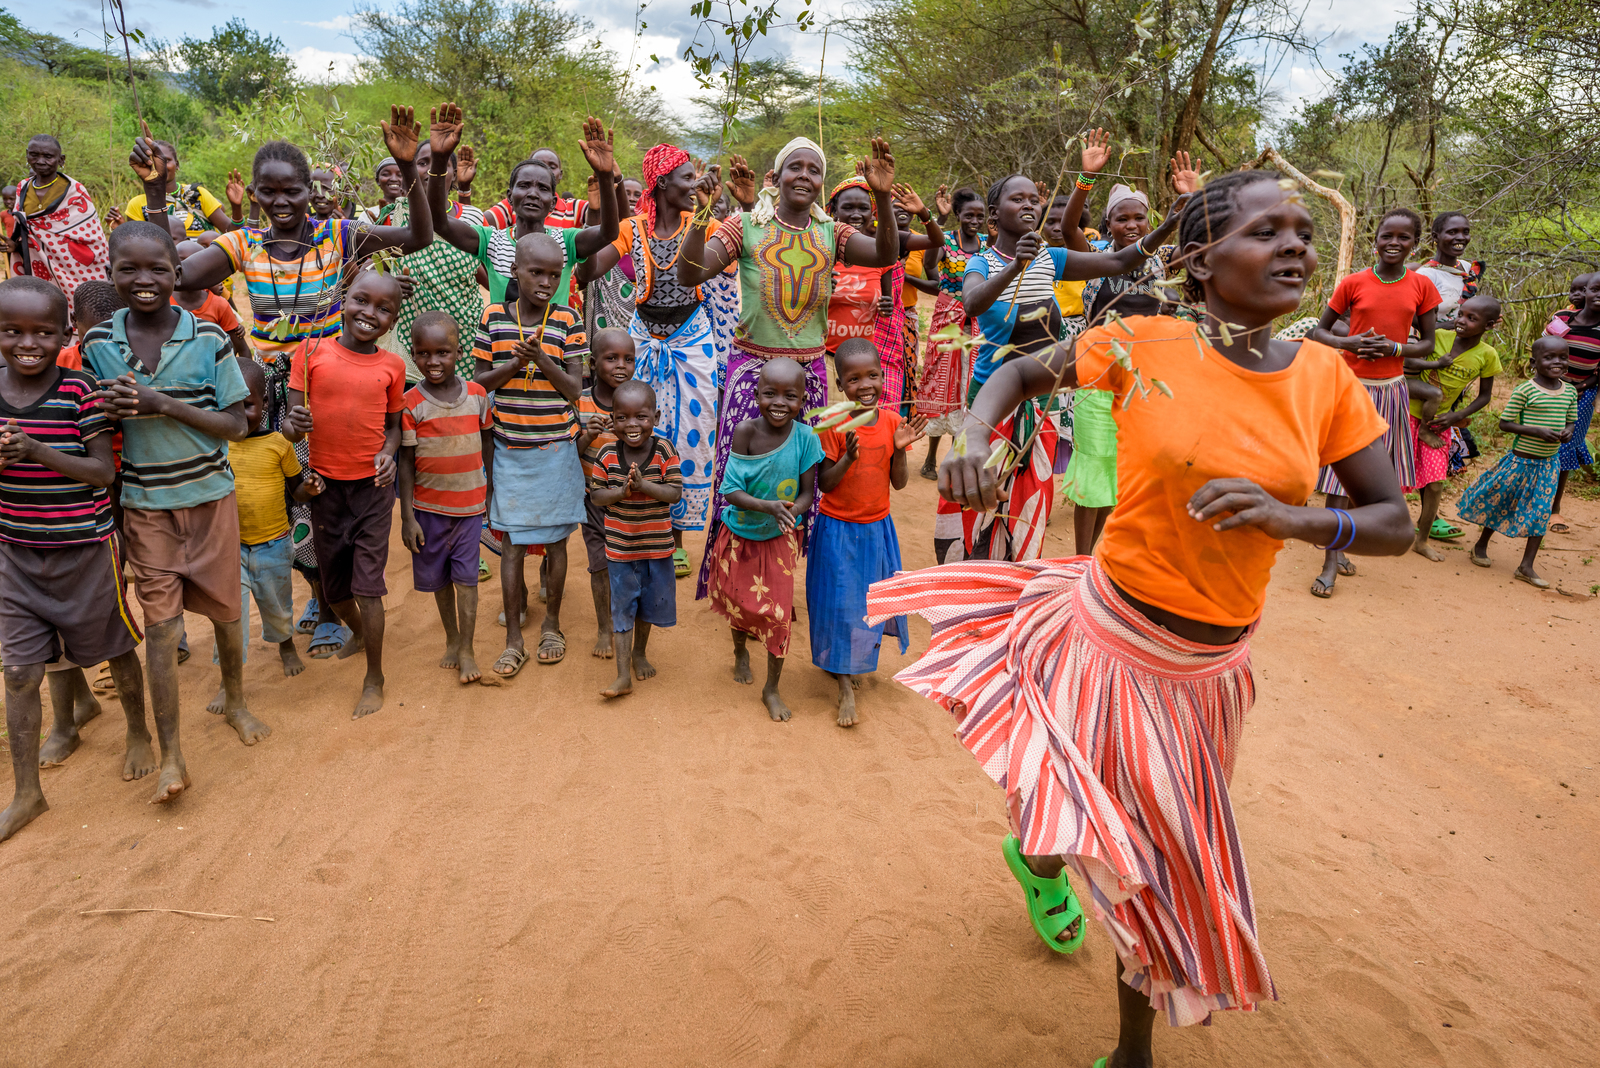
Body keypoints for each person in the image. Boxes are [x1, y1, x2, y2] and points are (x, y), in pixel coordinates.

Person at [876, 170, 1411, 1056]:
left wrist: (1298, 519)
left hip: (1208, 676)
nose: (1295, 248)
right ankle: (1119, 1022)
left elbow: (1390, 519)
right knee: (1128, 853)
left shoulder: (1325, 377)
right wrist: (971, 436)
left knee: (1142, 847)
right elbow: (1014, 371)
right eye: (1266, 231)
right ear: (1200, 261)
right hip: (1109, 637)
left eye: (1304, 233)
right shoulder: (1141, 343)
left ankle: (1089, 963)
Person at [82, 222, 263, 805]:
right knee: (160, 632)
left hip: (210, 500)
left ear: (176, 273)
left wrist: (161, 403)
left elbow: (237, 424)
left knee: (227, 614)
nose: (144, 281)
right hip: (145, 509)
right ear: (110, 273)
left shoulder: (209, 338)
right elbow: (91, 430)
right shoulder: (97, 347)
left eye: (157, 269)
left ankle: (235, 699)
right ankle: (171, 755)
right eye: (128, 269)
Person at [679, 136, 902, 601]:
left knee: (804, 480)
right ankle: (734, 581)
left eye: (814, 169)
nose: (805, 175)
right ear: (776, 178)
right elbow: (689, 274)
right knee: (742, 475)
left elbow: (884, 256)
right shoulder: (744, 226)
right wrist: (704, 213)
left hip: (808, 378)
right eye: (794, 167)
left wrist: (882, 195)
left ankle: (777, 581)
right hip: (751, 376)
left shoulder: (833, 233)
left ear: (821, 184)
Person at [959, 169, 1187, 562]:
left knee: (1030, 503)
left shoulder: (1052, 258)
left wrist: (1167, 225)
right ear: (994, 215)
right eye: (1018, 199)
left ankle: (1017, 582)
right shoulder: (982, 261)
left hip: (1042, 398)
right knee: (983, 498)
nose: (1029, 204)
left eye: (1034, 198)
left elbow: (1117, 261)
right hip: (992, 398)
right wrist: (1015, 267)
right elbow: (972, 303)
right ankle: (976, 582)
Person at [0, 277, 147, 843]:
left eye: (42, 331)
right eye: (13, 330)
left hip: (86, 547)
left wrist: (35, 451)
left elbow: (102, 472)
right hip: (15, 553)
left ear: (66, 333)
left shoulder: (78, 390)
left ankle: (138, 732)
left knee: (114, 647)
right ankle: (26, 793)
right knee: (18, 672)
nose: (27, 342)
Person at [581, 144, 753, 576]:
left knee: (689, 431)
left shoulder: (709, 224)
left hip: (691, 335)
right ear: (661, 185)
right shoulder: (631, 227)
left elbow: (730, 251)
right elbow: (591, 267)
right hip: (643, 336)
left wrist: (739, 204)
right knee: (638, 426)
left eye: (695, 179)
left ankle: (674, 537)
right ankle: (640, 523)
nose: (693, 186)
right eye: (685, 178)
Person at [282, 269, 408, 719]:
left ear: (394, 319)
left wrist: (389, 454)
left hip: (373, 491)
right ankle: (355, 632)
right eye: (361, 300)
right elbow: (290, 422)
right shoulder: (311, 352)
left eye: (384, 308)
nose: (370, 313)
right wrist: (293, 426)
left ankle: (374, 677)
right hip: (323, 488)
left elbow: (393, 429)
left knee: (368, 587)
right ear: (344, 300)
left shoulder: (393, 367)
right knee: (334, 590)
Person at [474, 233, 589, 676]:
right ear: (514, 272)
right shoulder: (494, 318)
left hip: (556, 449)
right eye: (536, 272)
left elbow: (575, 389)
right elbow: (481, 383)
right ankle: (512, 641)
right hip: (509, 449)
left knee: (557, 543)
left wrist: (541, 359)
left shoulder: (567, 319)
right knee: (512, 546)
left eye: (553, 275)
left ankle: (553, 626)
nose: (545, 281)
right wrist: (514, 365)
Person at [1309, 207, 1439, 596]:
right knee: (1337, 476)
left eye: (1404, 238)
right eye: (1387, 236)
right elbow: (1318, 332)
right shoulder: (1353, 282)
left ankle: (1343, 545)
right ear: (1375, 239)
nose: (1394, 243)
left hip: (1392, 388)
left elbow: (1428, 344)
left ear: (1415, 243)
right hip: (1350, 387)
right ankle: (1330, 563)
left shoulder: (1421, 286)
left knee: (1369, 479)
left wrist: (1394, 347)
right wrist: (1348, 342)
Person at [810, 340, 925, 727]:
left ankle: (848, 664)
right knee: (839, 604)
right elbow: (824, 484)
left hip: (877, 528)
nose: (865, 385)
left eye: (872, 375)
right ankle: (843, 683)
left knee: (865, 604)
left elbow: (900, 484)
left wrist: (901, 450)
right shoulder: (833, 425)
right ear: (840, 385)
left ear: (883, 377)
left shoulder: (892, 422)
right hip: (837, 529)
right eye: (854, 378)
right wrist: (847, 458)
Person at [704, 357, 823, 722]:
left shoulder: (806, 439)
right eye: (770, 393)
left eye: (790, 396)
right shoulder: (745, 432)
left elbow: (808, 492)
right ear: (756, 395)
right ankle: (740, 649)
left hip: (779, 537)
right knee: (740, 602)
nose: (779, 403)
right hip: (740, 532)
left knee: (779, 613)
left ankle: (771, 688)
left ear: (803, 400)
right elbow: (730, 490)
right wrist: (769, 506)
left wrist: (792, 512)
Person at [425, 105, 619, 313]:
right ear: (510, 196)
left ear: (553, 203)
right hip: (501, 344)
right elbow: (439, 221)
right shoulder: (491, 241)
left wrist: (605, 175)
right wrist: (439, 160)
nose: (533, 193)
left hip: (553, 344)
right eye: (524, 185)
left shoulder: (566, 241)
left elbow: (608, 232)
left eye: (543, 188)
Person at [399, 311, 494, 686]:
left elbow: (488, 440)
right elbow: (405, 464)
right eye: (423, 354)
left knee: (467, 580)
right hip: (428, 511)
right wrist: (407, 516)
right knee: (438, 580)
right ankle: (452, 639)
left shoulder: (478, 396)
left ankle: (468, 648)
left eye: (443, 352)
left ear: (459, 352)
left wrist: (490, 485)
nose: (433, 362)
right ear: (413, 354)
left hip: (470, 508)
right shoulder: (410, 404)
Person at [221, 358, 322, 694]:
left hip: (274, 545)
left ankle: (286, 645)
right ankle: (229, 679)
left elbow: (295, 492)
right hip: (229, 548)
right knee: (229, 615)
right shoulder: (217, 446)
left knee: (277, 606)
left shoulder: (279, 444)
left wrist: (308, 489)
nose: (239, 414)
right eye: (228, 405)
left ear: (264, 404)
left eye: (247, 405)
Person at [1458, 337, 1578, 588]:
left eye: (1563, 357)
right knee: (1501, 501)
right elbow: (1505, 423)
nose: (1557, 362)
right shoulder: (1526, 390)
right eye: (1549, 357)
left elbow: (1571, 420)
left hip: (1548, 465)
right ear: (1534, 363)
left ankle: (1526, 566)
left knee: (1541, 511)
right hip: (1521, 462)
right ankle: (1480, 545)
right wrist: (1536, 431)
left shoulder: (1569, 391)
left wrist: (1568, 431)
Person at [591, 380, 682, 698]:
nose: (632, 425)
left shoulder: (665, 450)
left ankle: (640, 653)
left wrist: (644, 486)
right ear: (612, 418)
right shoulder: (605, 453)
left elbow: (673, 493)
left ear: (655, 417)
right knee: (623, 608)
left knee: (649, 607)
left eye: (641, 417)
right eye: (622, 417)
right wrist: (622, 491)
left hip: (656, 550)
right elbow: (597, 496)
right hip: (621, 550)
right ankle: (621, 675)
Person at [371, 139, 487, 382]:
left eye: (440, 163)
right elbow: (371, 270)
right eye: (422, 163)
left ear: (454, 174)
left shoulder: (474, 217)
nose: (431, 170)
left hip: (465, 330)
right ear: (411, 171)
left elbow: (487, 276)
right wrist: (391, 285)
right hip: (409, 336)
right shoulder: (394, 215)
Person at [1406, 295, 1503, 560]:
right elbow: (1410, 364)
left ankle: (1422, 540)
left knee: (1436, 484)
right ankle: (1364, 525)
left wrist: (1455, 416)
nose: (1461, 321)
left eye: (1471, 318)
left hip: (1440, 423)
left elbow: (1485, 396)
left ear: (1490, 325)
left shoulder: (1488, 355)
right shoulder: (1438, 338)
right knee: (1390, 475)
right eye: (1461, 314)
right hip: (1406, 415)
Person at [917, 187, 986, 486]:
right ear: (958, 215)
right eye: (969, 215)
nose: (975, 220)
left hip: (978, 320)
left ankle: (957, 456)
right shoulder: (946, 240)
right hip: (948, 318)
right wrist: (939, 220)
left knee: (967, 384)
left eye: (980, 216)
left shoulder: (987, 244)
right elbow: (930, 265)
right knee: (938, 381)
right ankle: (931, 456)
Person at [5, 135, 110, 329]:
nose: (40, 161)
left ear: (61, 160)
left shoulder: (75, 190)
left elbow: (91, 234)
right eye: (34, 155)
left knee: (80, 309)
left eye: (48, 156)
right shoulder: (22, 188)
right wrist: (14, 245)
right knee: (42, 308)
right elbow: (26, 231)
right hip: (36, 266)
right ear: (27, 156)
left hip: (74, 267)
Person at [575, 328, 636, 658]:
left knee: (628, 566)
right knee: (599, 566)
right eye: (611, 358)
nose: (621, 366)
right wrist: (587, 436)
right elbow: (570, 454)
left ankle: (626, 622)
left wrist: (628, 432)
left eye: (628, 359)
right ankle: (604, 628)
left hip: (631, 502)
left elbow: (650, 447)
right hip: (593, 500)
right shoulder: (581, 401)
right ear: (593, 363)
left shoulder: (637, 401)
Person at [1545, 273, 1600, 534]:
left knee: (1567, 444)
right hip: (1548, 389)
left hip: (1582, 394)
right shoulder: (1564, 318)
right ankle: (1528, 497)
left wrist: (1579, 387)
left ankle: (1554, 510)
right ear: (1586, 291)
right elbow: (1542, 349)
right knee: (1538, 440)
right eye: (1596, 289)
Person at [124, 140, 244, 238]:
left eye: (166, 161)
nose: (160, 166)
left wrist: (236, 207)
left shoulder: (197, 194)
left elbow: (232, 234)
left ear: (177, 165)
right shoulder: (137, 204)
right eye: (154, 161)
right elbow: (136, 245)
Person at [172, 240, 251, 357]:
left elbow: (243, 350)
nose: (185, 268)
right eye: (181, 260)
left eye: (194, 262)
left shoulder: (218, 305)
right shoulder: (162, 302)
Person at [1415, 211, 1484, 328]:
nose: (1461, 237)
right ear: (1436, 237)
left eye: (1465, 232)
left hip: (1466, 342)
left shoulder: (1467, 267)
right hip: (1438, 343)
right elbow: (1415, 324)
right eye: (1452, 232)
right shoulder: (1425, 276)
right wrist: (1457, 324)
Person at [58, 281, 125, 372]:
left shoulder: (135, 362)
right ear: (74, 320)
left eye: (111, 338)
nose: (101, 346)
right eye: (91, 337)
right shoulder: (57, 363)